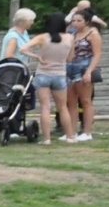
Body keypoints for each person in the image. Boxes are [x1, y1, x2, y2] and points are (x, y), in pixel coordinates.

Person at [20, 15, 79, 144]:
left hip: (43, 75)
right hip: (59, 75)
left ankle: (46, 139)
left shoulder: (42, 37)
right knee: (63, 107)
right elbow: (70, 58)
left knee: (45, 107)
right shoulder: (70, 38)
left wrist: (37, 56)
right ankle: (70, 136)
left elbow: (23, 49)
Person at [65, 8, 102, 141]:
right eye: (73, 20)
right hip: (70, 67)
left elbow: (97, 54)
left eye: (79, 20)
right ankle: (72, 131)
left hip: (84, 67)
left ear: (86, 21)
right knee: (71, 102)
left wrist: (89, 72)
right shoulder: (72, 33)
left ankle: (87, 131)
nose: (75, 23)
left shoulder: (93, 33)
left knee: (85, 101)